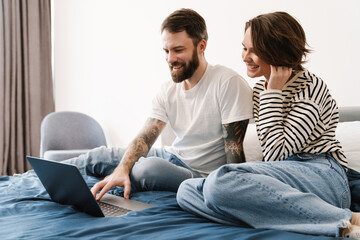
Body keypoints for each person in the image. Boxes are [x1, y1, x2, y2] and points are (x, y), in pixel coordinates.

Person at [176, 11, 360, 238]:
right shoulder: (260, 91)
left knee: (218, 182)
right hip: (283, 177)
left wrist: (274, 92)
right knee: (186, 191)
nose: (245, 57)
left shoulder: (311, 88)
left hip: (320, 172)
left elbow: (275, 154)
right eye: (244, 48)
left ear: (278, 51)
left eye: (255, 51)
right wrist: (269, 91)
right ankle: (298, 218)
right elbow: (274, 159)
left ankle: (347, 219)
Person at [63, 8, 253, 201]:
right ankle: (35, 178)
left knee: (147, 168)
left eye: (178, 50)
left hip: (198, 174)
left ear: (201, 46)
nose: (170, 59)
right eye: (166, 51)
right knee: (99, 156)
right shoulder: (168, 89)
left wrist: (232, 194)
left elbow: (234, 155)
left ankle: (114, 185)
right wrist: (122, 168)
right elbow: (143, 140)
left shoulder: (228, 83)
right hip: (170, 156)